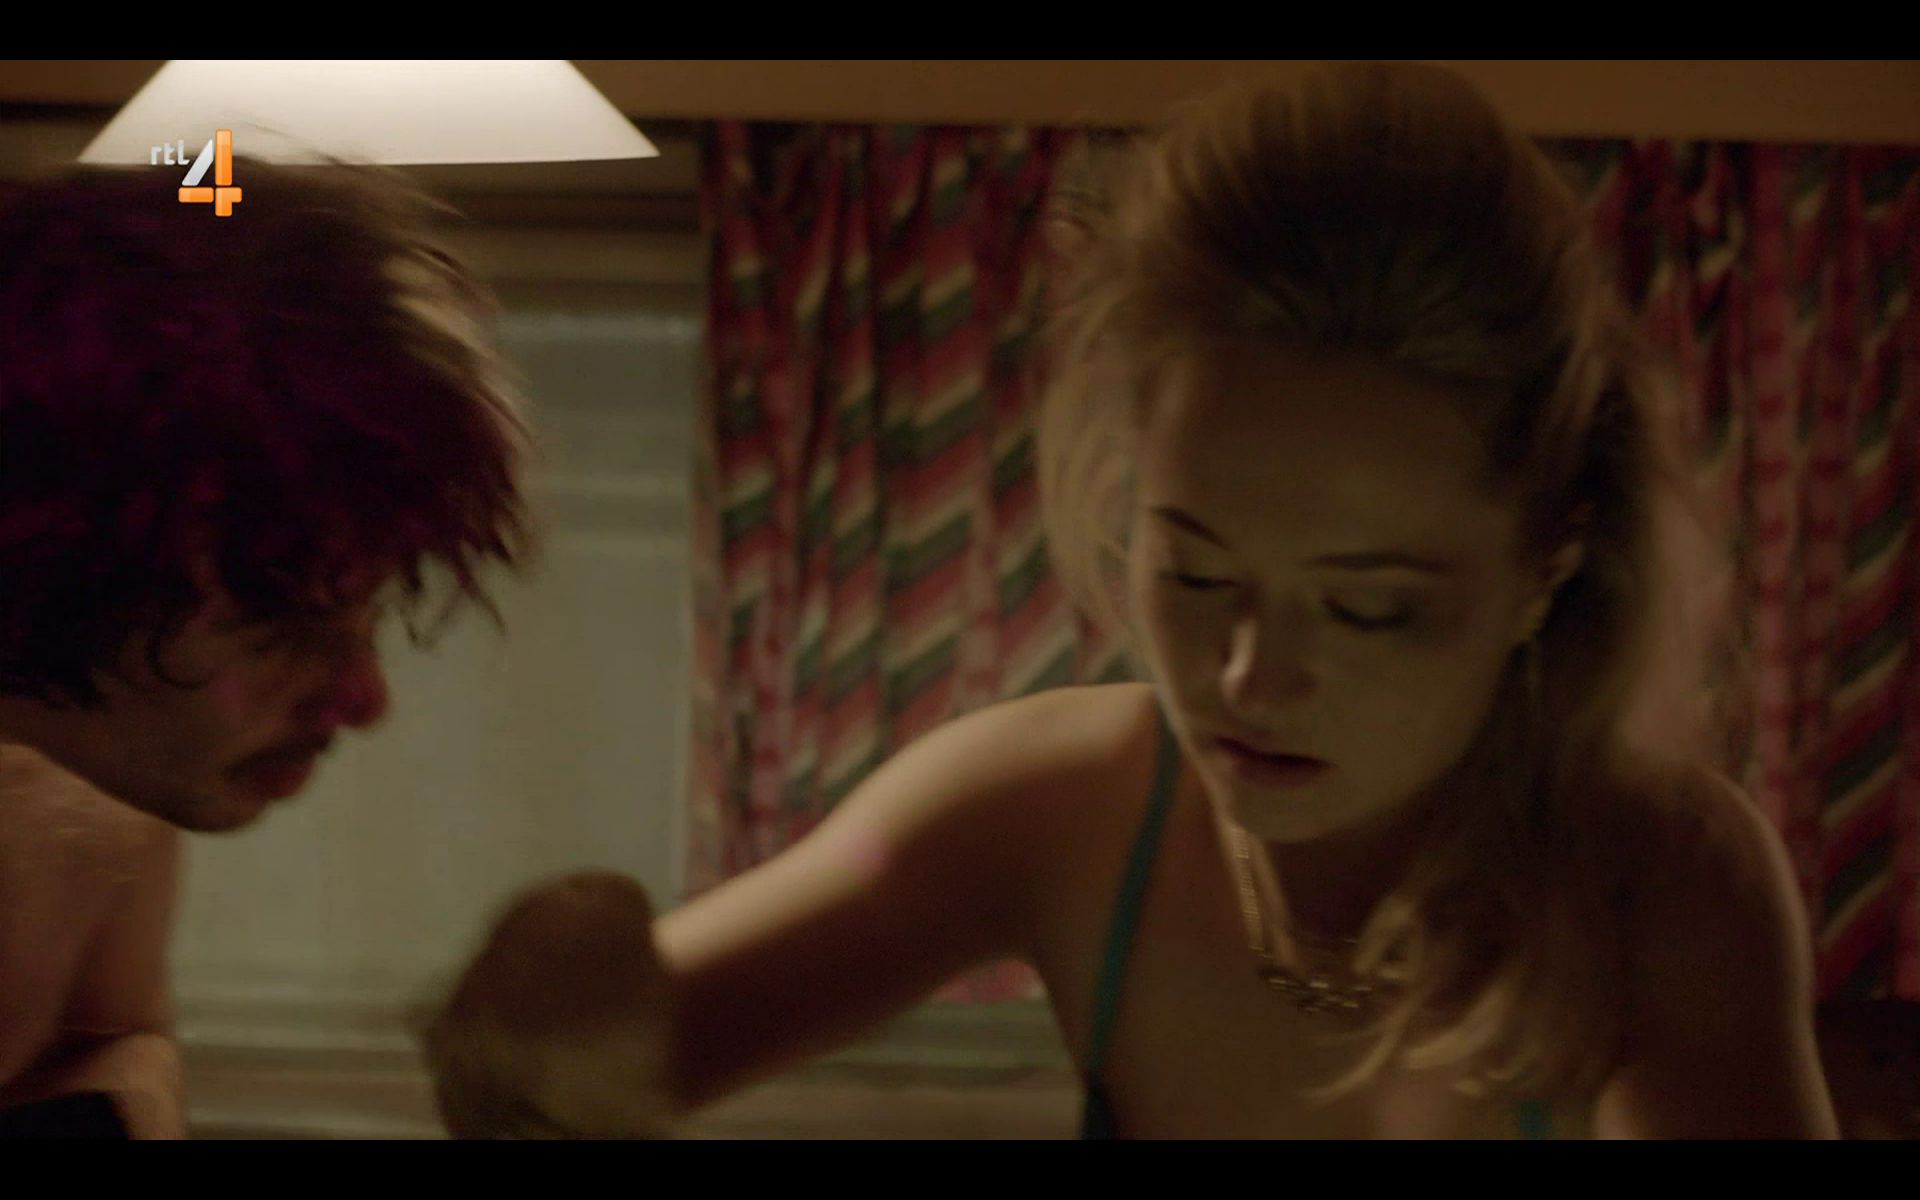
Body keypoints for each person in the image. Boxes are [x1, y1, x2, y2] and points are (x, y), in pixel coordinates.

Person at [428, 61, 1839, 1139]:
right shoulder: (1055, 811)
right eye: (1197, 572)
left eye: (1370, 609)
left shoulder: (1659, 881)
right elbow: (600, 1057)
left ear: (1548, 570)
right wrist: (546, 1027)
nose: (1249, 676)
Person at [0, 158, 531, 1137]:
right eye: (286, 616)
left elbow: (123, 1049)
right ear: (53, 558)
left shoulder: (109, 791)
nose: (366, 699)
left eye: (366, 614)